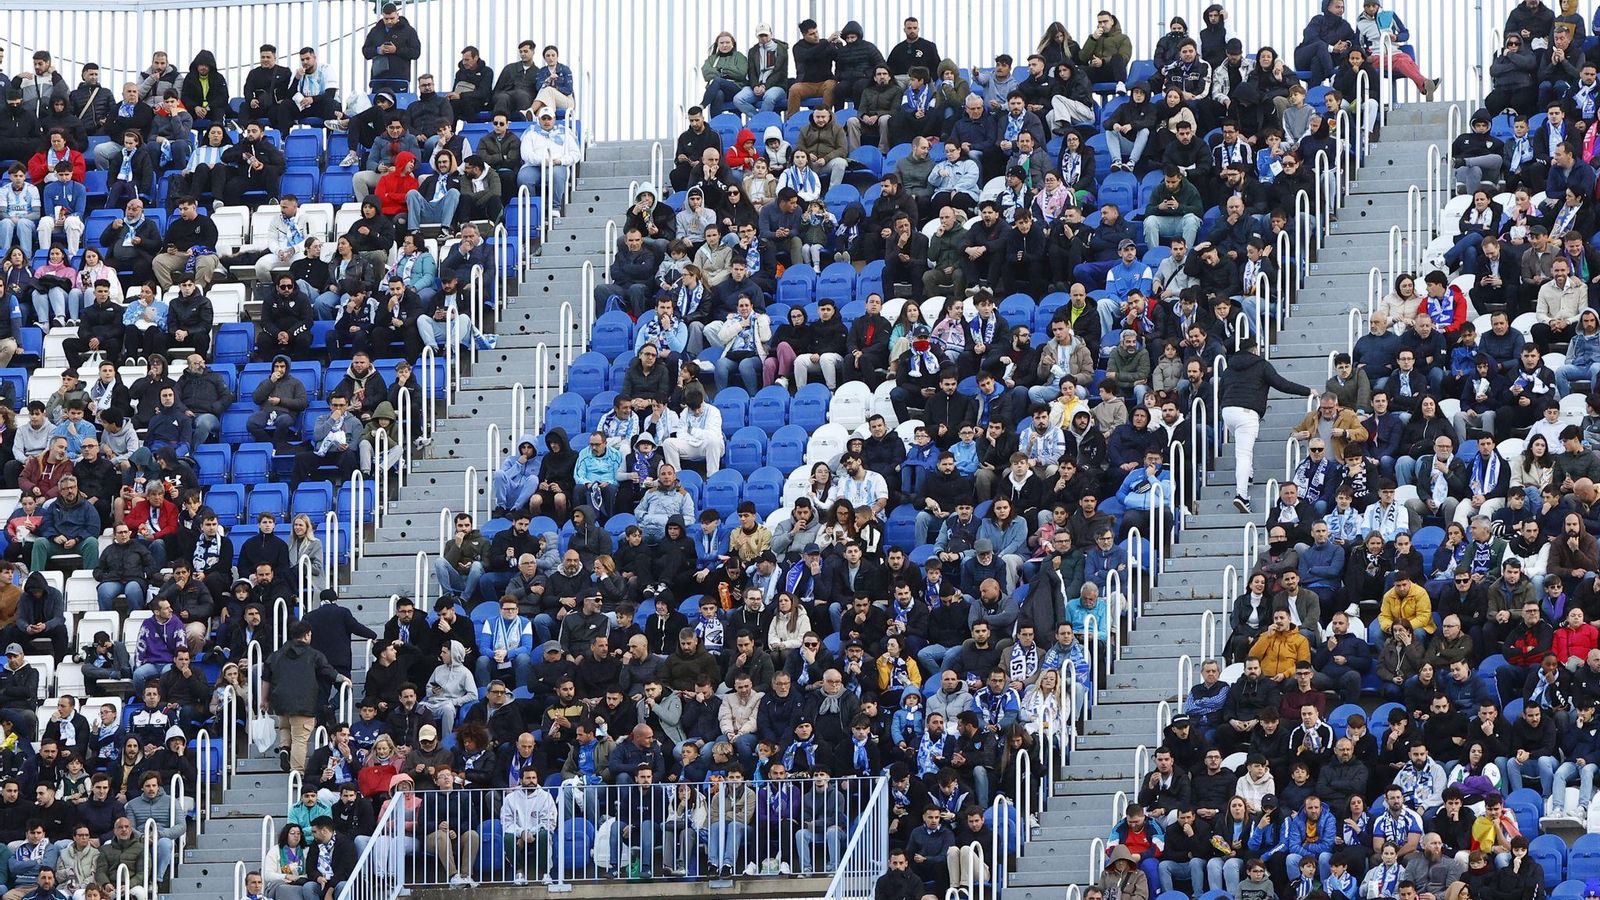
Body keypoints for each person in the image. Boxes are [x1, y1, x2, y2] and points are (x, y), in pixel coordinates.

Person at [1219, 337, 1314, 513]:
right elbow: (1282, 384)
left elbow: (1220, 391)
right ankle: (1241, 495)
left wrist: (1224, 408)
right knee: (1244, 454)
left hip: (1228, 411)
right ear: (1255, 349)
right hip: (1247, 413)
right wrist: (1307, 391)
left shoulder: (1229, 367)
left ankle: (1248, 474)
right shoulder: (1261, 365)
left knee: (1243, 449)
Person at [262, 621, 351, 773]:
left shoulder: (276, 655)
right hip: (303, 704)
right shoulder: (314, 655)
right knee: (300, 739)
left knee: (285, 727)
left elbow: (266, 677)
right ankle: (296, 773)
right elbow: (328, 672)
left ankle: (284, 748)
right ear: (308, 635)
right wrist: (343, 679)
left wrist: (264, 699)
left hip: (280, 701)